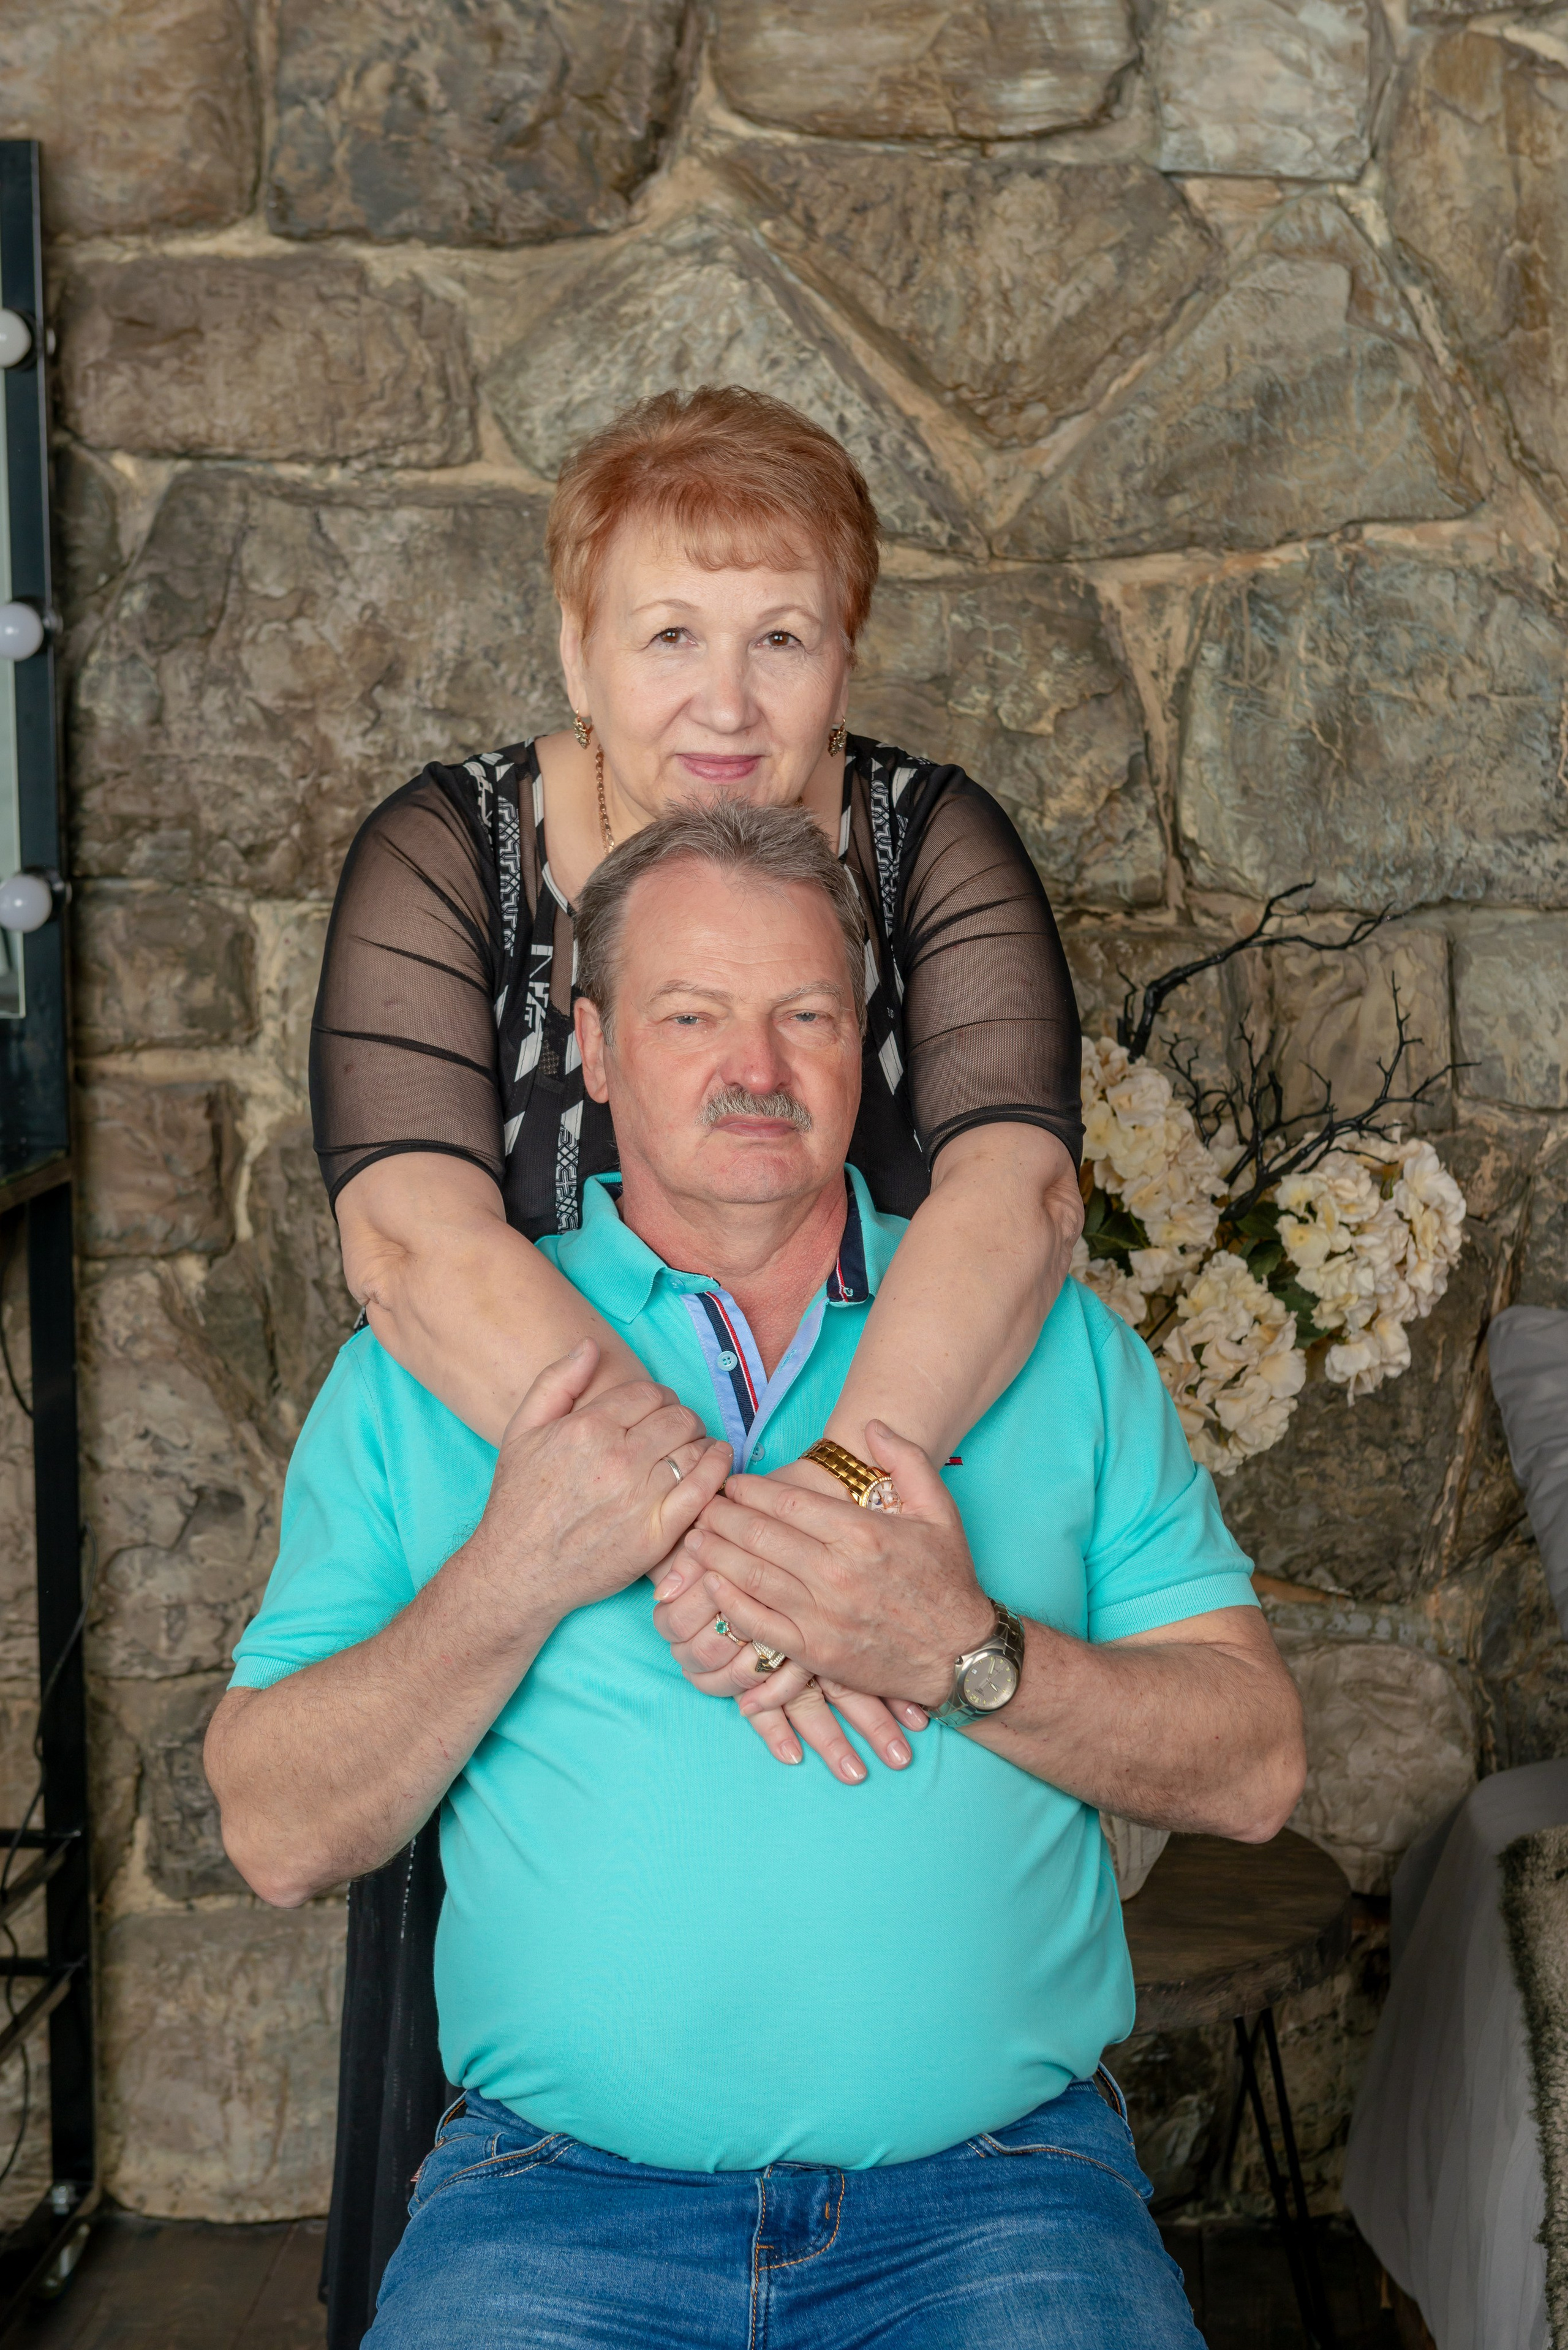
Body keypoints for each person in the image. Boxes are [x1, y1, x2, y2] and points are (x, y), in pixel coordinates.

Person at [208, 799, 1306, 2349]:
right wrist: (515, 1570)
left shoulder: (1048, 1344)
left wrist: (965, 1649)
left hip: (996, 2196)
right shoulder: (428, 1371)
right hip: (552, 2202)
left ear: (866, 1040)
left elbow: (1256, 1762)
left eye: (805, 1013)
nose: (756, 1067)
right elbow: (270, 1825)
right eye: (690, 1014)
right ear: (588, 1047)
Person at [307, 383, 1088, 2327]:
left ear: (850, 653)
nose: (722, 698)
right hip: (553, 1533)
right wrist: (667, 1526)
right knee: (533, 2081)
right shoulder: (447, 854)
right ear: (577, 647)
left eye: (781, 635)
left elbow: (1017, 1201)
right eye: (667, 633)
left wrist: (825, 1513)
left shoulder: (931, 842)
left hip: (882, 1509)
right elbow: (412, 1237)